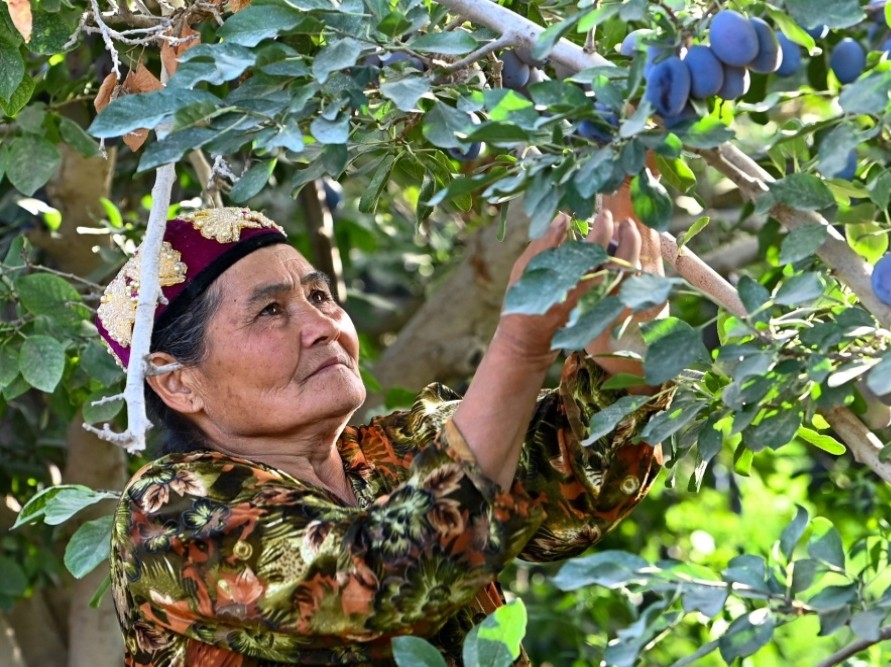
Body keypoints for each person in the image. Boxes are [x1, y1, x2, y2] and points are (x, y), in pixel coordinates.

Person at [98, 194, 672, 665]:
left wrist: (616, 322)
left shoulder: (389, 453)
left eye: (319, 296)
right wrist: (520, 347)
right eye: (271, 311)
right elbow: (389, 578)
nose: (322, 326)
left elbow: (577, 477)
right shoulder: (170, 513)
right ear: (178, 384)